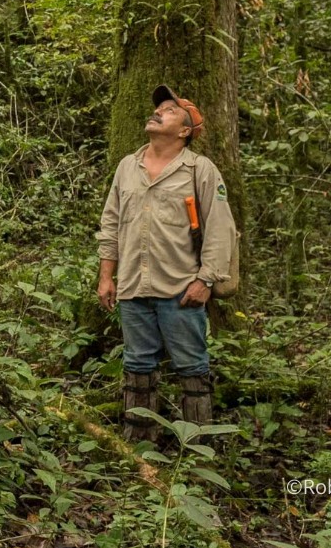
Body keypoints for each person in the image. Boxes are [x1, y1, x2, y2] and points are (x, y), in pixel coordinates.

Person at [95, 85, 236, 442]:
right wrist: (106, 277)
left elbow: (221, 228)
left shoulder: (199, 170)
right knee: (137, 367)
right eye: (158, 106)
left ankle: (198, 448)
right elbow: (110, 223)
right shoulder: (128, 166)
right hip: (132, 288)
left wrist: (205, 280)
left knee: (193, 369)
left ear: (185, 130)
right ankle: (137, 448)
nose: (159, 111)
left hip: (181, 289)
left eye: (170, 110)